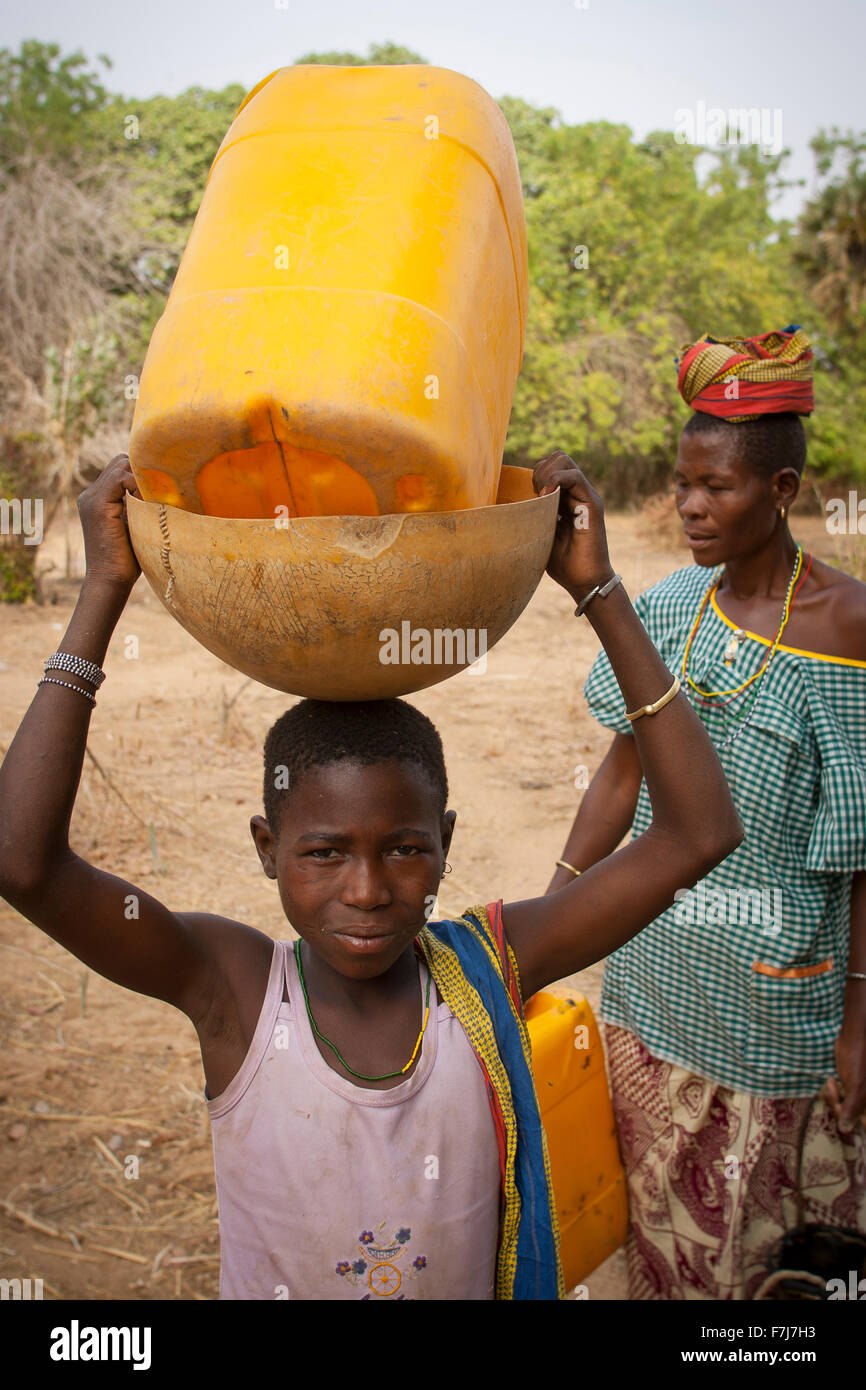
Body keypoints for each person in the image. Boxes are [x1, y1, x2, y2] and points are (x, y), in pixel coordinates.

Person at [0, 450, 742, 1301]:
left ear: (445, 843)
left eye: (404, 849)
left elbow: (697, 832)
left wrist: (599, 589)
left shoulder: (486, 967)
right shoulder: (234, 989)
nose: (366, 890)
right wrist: (103, 593)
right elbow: (24, 863)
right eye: (323, 852)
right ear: (265, 847)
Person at [547, 327, 866, 1300]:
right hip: (651, 988)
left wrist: (857, 1021)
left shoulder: (845, 630)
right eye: (681, 483)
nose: (687, 506)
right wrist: (548, 916)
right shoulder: (674, 604)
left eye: (714, 487)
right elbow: (617, 777)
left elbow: (861, 854)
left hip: (777, 1012)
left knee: (769, 1266)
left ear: (777, 492)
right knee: (663, 1252)